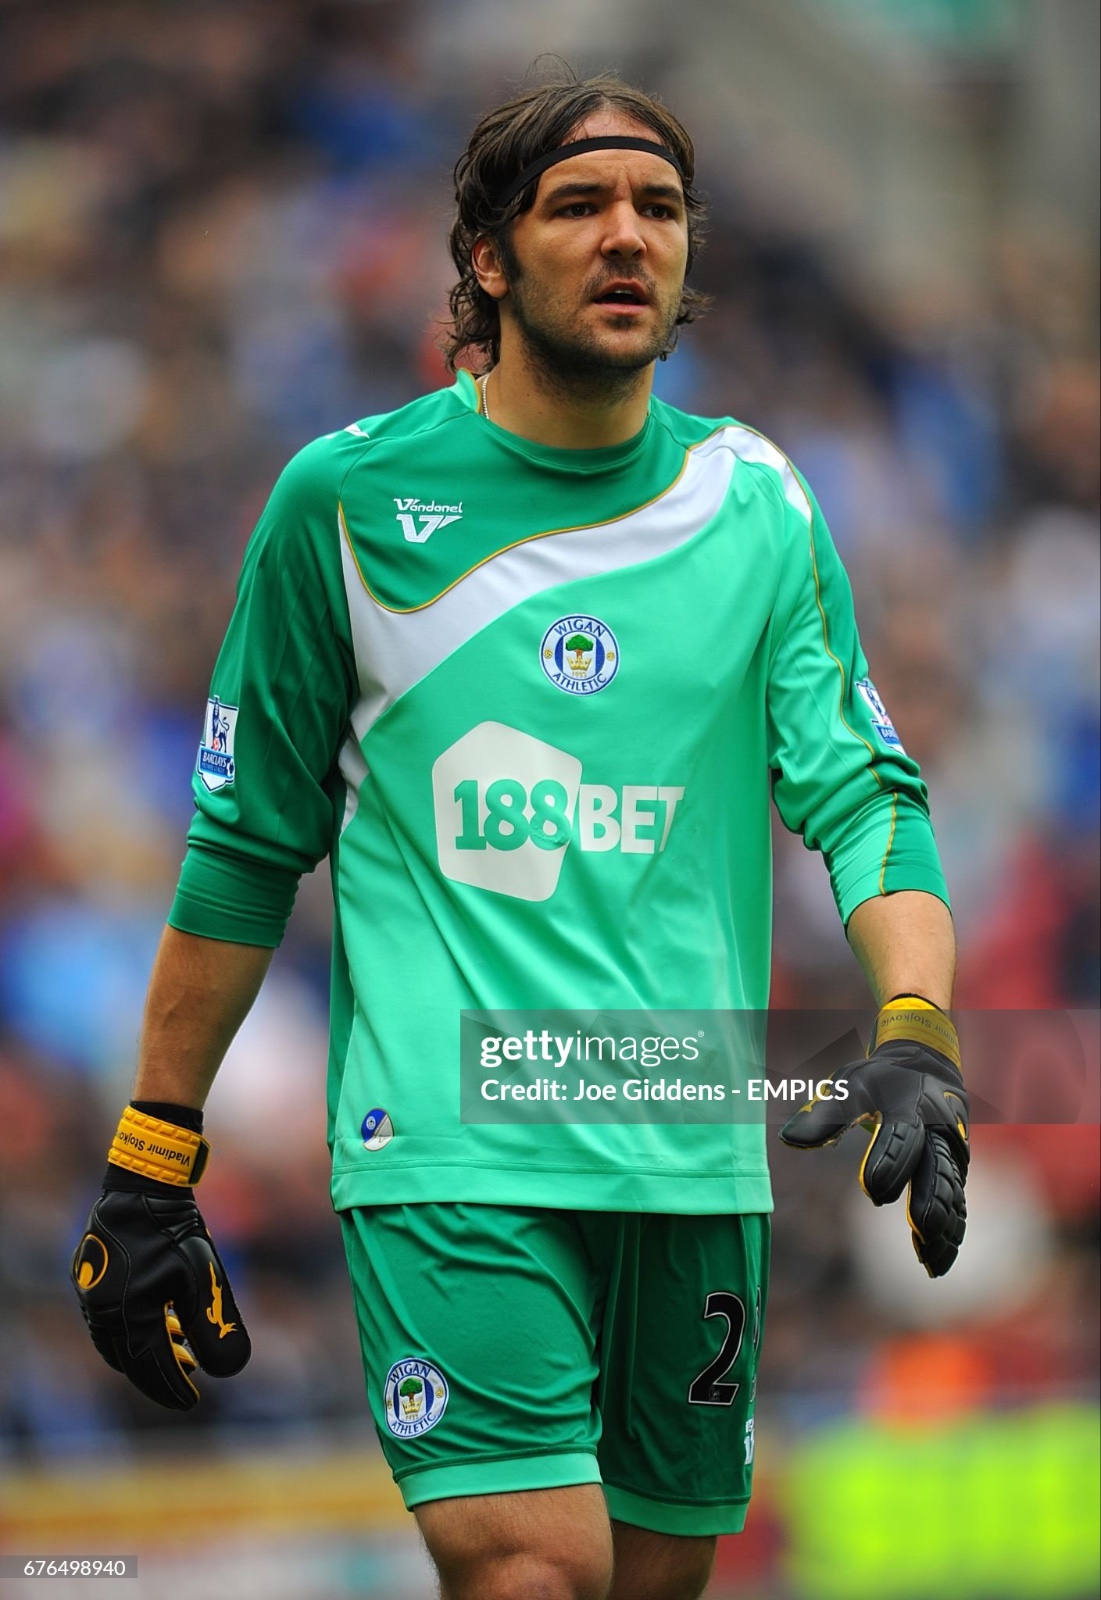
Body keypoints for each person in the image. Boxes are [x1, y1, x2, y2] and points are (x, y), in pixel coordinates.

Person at [71, 74, 969, 1600]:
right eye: (579, 207)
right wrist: (152, 1161)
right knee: (531, 1576)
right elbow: (242, 849)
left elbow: (862, 796)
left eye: (660, 211)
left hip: (685, 1138)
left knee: (653, 1582)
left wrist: (916, 1027)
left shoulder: (754, 503)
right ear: (487, 256)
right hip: (447, 1133)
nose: (627, 238)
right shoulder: (344, 503)